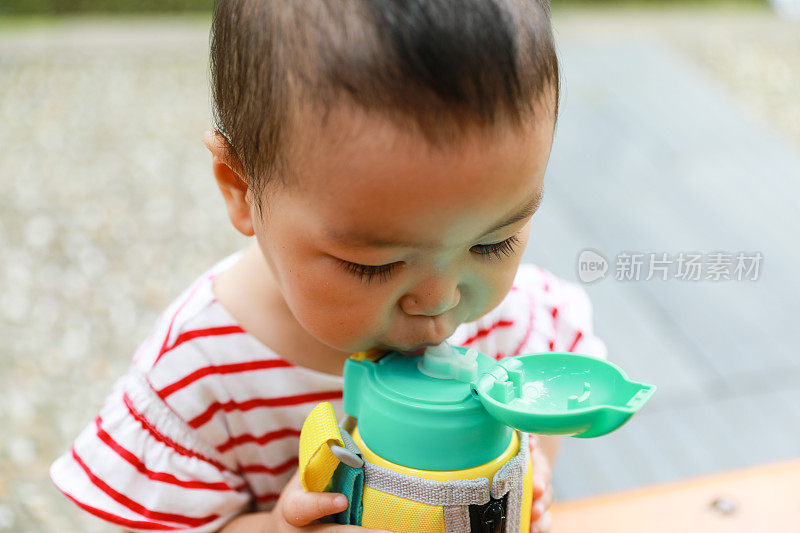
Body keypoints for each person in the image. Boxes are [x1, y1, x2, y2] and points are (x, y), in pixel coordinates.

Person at [50, 1, 607, 531]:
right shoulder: (199, 377)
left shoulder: (515, 323)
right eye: (375, 265)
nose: (439, 303)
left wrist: (536, 472)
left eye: (493, 244)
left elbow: (555, 393)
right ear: (243, 188)